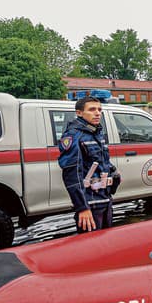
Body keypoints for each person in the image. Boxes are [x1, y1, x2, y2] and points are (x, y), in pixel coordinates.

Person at [58, 96, 120, 232]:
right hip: (90, 204)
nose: (97, 113)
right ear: (79, 113)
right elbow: (71, 174)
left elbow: (101, 161)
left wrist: (114, 173)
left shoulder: (96, 133)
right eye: (92, 109)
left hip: (104, 199)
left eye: (99, 109)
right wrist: (82, 207)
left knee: (107, 243)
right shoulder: (74, 136)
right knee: (91, 247)